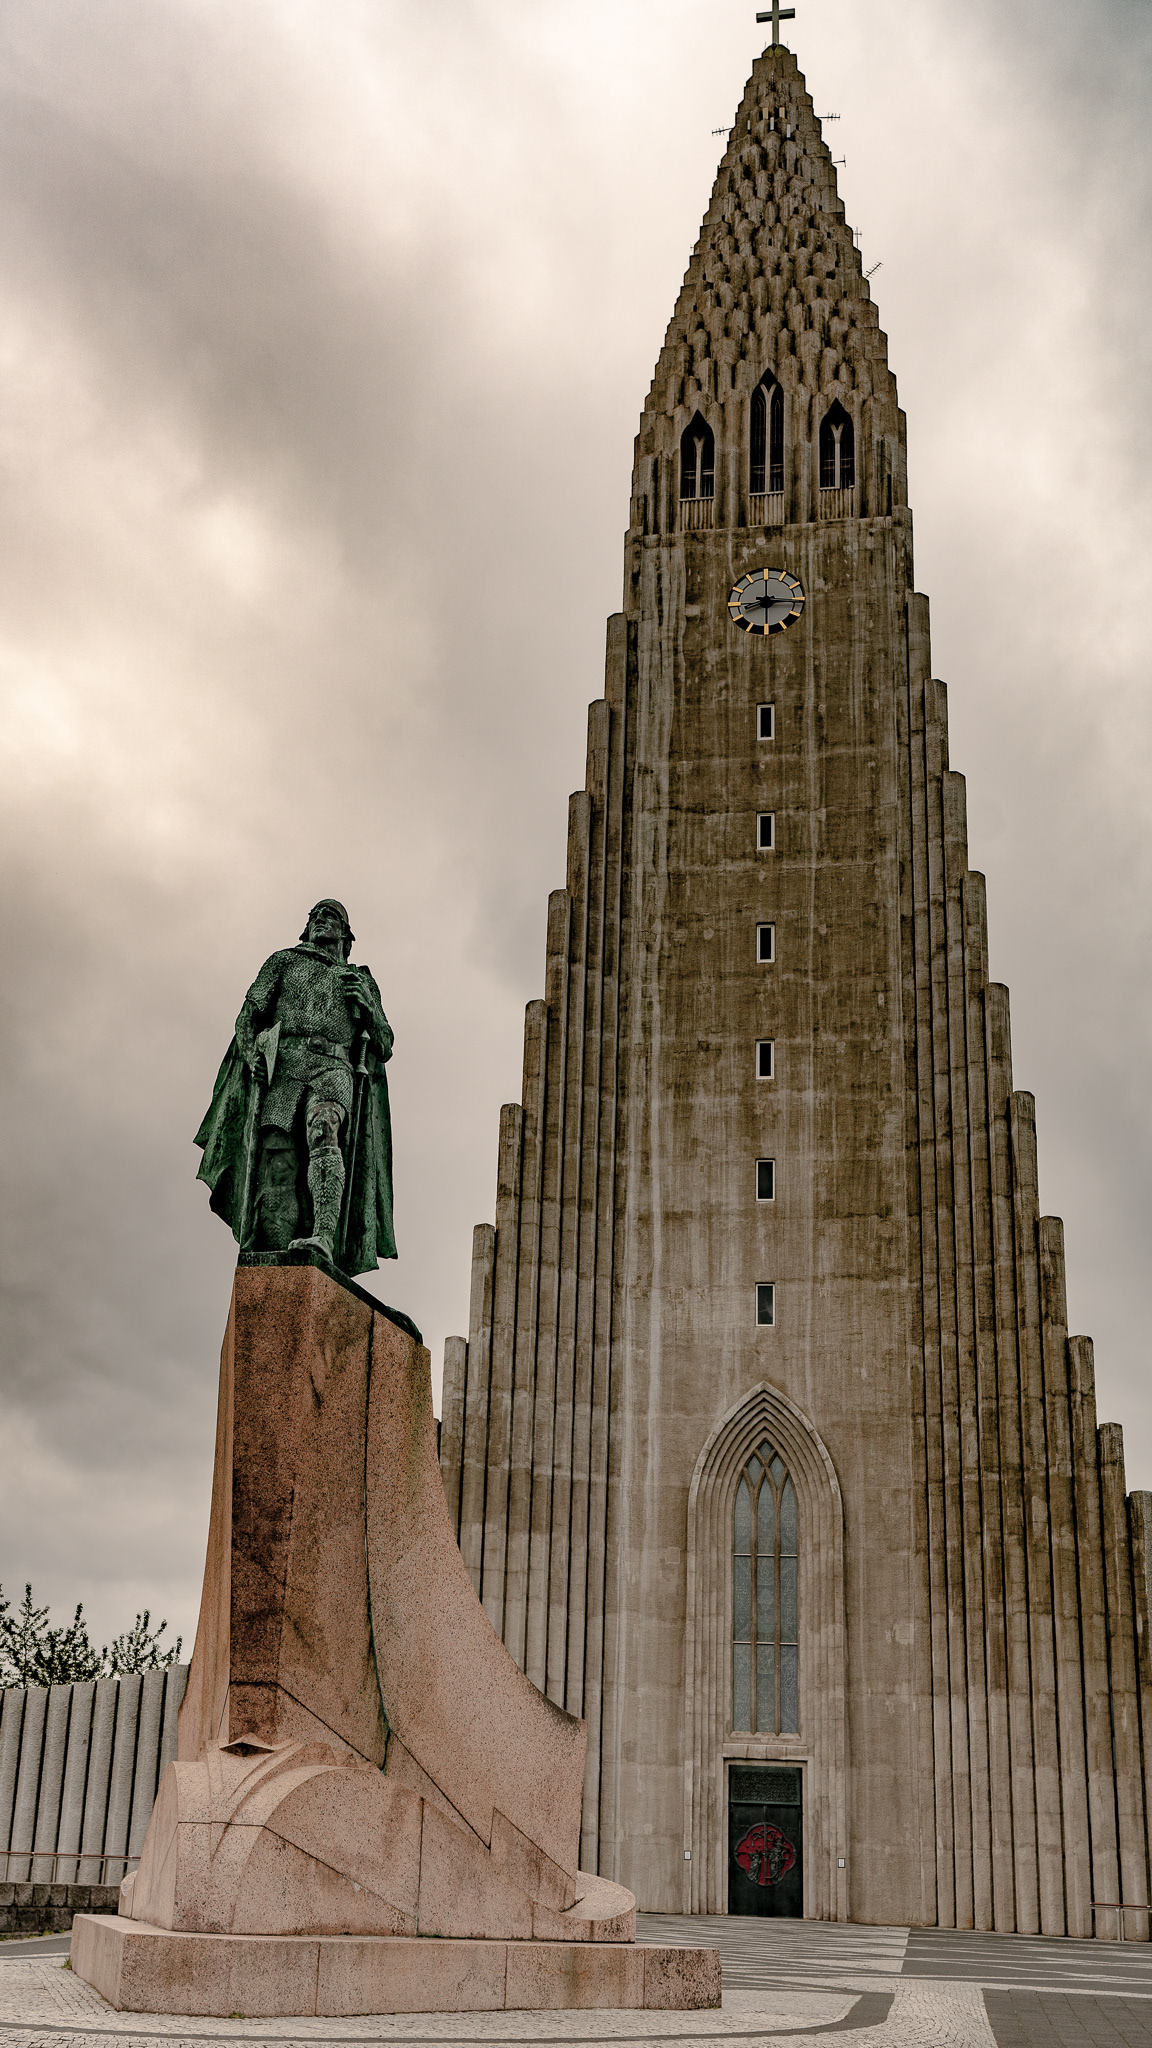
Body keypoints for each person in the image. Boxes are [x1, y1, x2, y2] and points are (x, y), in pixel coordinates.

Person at [194, 900, 396, 1274]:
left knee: (324, 1131)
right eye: (314, 916)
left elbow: (384, 1044)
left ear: (345, 934)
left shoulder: (361, 980)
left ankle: (324, 1237)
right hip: (284, 1069)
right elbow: (247, 1018)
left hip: (332, 1068)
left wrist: (368, 1008)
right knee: (278, 1165)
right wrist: (252, 1053)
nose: (319, 919)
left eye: (328, 915)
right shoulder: (283, 961)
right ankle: (278, 1255)